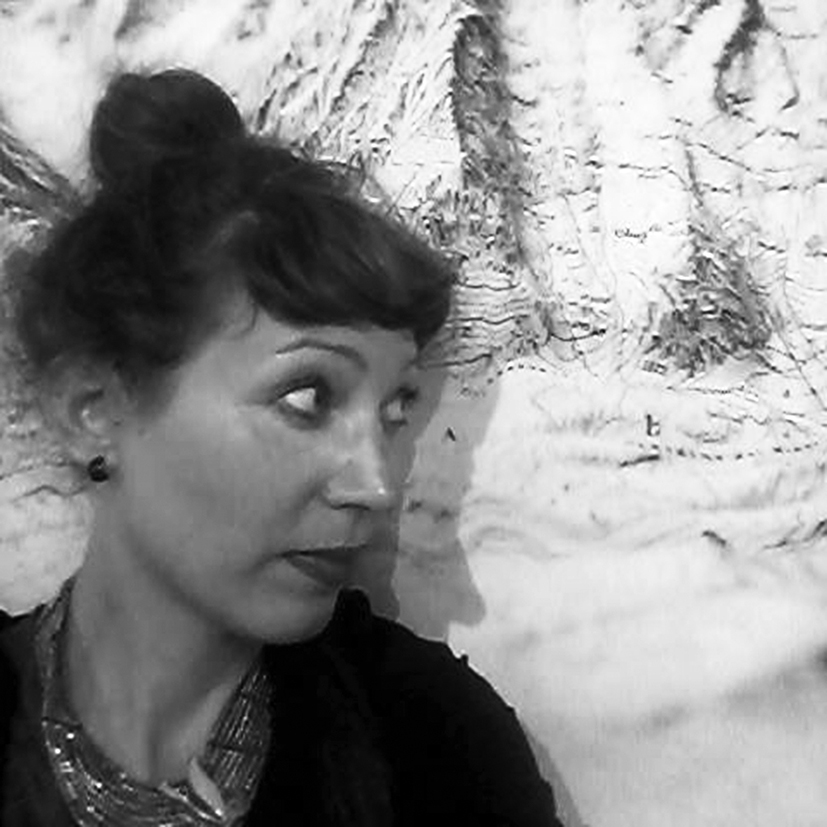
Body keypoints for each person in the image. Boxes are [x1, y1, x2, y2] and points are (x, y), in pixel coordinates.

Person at [0, 68, 563, 826]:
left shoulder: (437, 753)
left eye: (396, 410)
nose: (376, 486)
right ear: (94, 409)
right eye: (308, 397)